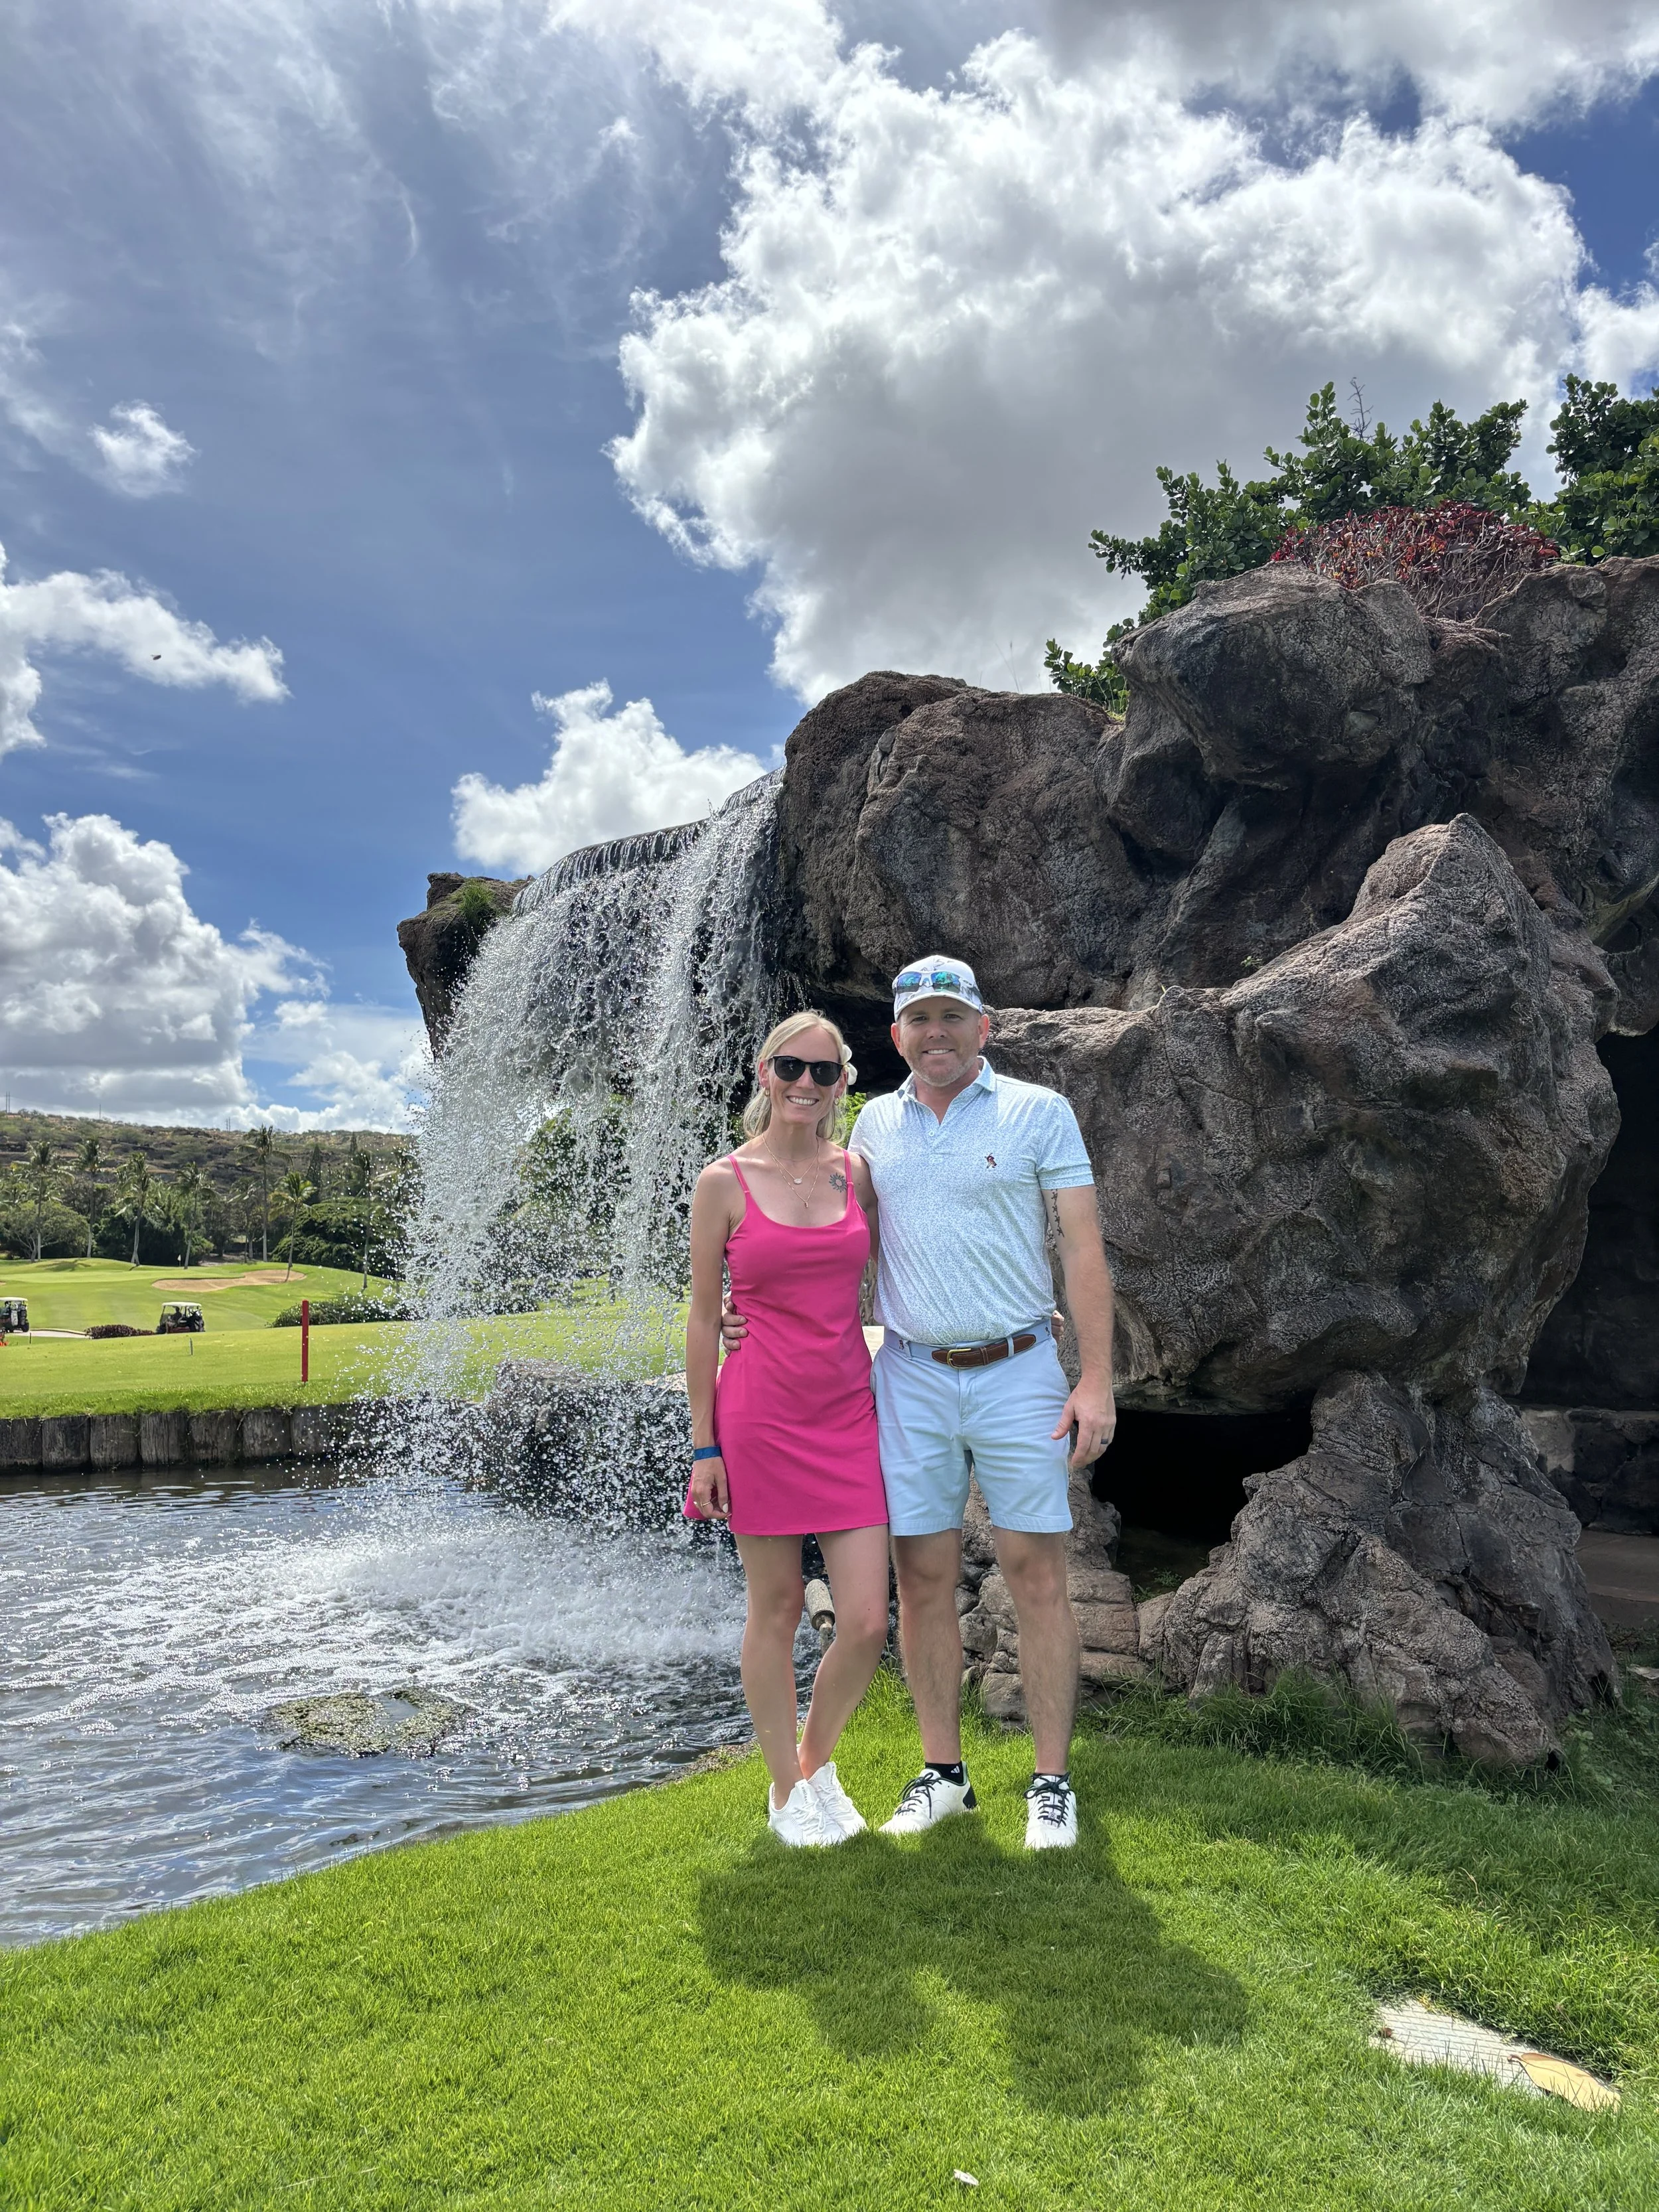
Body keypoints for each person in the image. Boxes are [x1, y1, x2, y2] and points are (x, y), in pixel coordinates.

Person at [725, 956, 1116, 1850]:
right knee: (924, 1578)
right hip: (910, 1373)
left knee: (1037, 1572)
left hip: (1021, 1369)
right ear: (896, 1035)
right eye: (917, 1020)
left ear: (983, 1025)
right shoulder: (873, 1132)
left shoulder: (1037, 1112)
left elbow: (1083, 1245)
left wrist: (1096, 1378)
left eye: (951, 1016)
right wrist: (732, 1317)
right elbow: (815, 1242)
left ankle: (1051, 1783)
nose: (934, 1032)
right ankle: (944, 1773)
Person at [685, 1011, 890, 1848]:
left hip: (849, 1412)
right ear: (763, 1073)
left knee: (868, 1620)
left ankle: (815, 1761)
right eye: (790, 1068)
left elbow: (909, 1269)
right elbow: (703, 1321)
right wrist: (704, 1447)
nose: (806, 1084)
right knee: (772, 1610)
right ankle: (783, 1792)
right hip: (758, 1418)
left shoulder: (858, 1175)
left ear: (843, 1082)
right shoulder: (722, 1183)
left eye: (824, 1071)